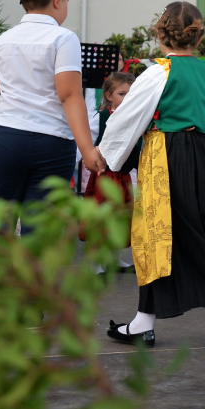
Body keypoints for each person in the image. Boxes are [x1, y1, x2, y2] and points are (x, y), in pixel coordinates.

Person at [97, 2, 205, 349]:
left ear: (161, 33)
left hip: (168, 158)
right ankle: (143, 322)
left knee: (182, 237)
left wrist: (104, 155)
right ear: (197, 36)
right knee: (174, 237)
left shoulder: (157, 73)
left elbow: (125, 118)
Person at [0, 0, 104, 232]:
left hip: (6, 139)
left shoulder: (4, 39)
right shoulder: (64, 38)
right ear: (58, 0)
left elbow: (1, 87)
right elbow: (70, 95)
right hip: (52, 143)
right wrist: (87, 151)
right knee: (38, 229)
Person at [83, 71, 139, 275]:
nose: (127, 99)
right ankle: (95, 263)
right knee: (101, 218)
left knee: (121, 218)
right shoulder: (101, 118)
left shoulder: (137, 120)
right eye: (122, 94)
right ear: (109, 96)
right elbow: (88, 143)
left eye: (131, 95)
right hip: (104, 177)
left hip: (124, 176)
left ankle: (114, 260)